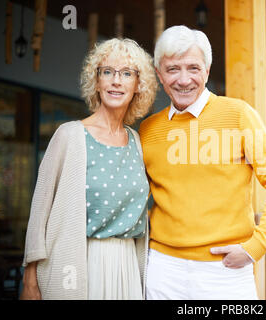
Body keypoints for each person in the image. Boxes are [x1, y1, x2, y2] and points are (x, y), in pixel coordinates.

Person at [139, 25, 266, 300]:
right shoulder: (148, 130)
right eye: (173, 69)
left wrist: (255, 246)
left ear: (207, 71)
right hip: (163, 268)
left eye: (193, 68)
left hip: (224, 269)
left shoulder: (238, 115)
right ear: (159, 74)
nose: (184, 79)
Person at [20, 38, 157, 300]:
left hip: (127, 266)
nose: (116, 81)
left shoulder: (137, 142)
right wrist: (29, 279)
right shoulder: (69, 135)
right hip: (79, 264)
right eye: (107, 72)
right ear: (96, 81)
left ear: (139, 85)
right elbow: (40, 212)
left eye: (127, 73)